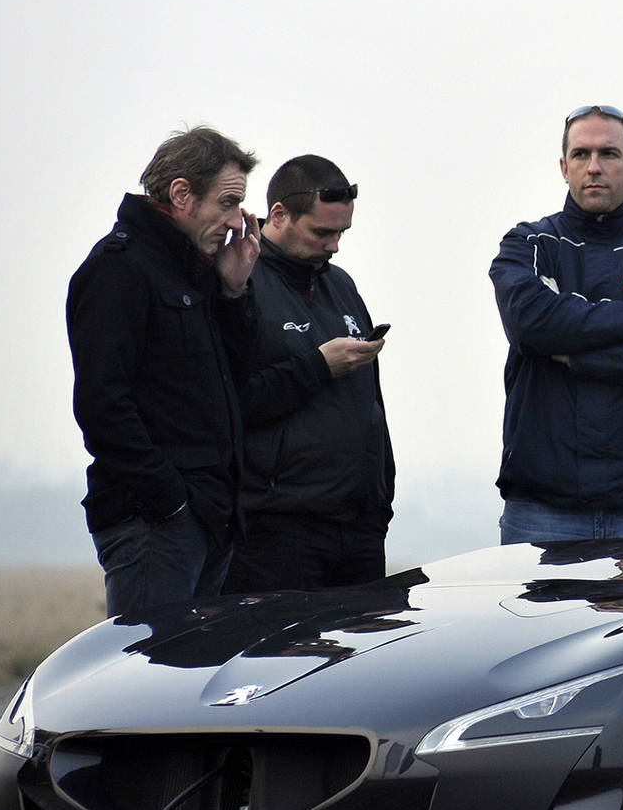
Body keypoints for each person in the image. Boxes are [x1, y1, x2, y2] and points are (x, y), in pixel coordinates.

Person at [490, 105, 623, 544]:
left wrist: (575, 355)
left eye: (608, 153)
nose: (594, 167)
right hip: (542, 508)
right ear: (564, 167)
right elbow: (531, 324)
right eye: (581, 154)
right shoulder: (528, 244)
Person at [67, 126, 262, 617]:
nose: (236, 221)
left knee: (194, 666)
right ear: (180, 194)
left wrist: (234, 291)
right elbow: (101, 405)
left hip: (208, 518)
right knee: (150, 663)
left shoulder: (196, 271)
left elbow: (233, 383)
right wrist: (171, 503)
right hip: (156, 525)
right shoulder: (119, 268)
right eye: (228, 203)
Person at [224, 155, 394, 591]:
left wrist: (381, 500)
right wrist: (319, 367)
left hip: (360, 528)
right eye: (322, 233)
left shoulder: (342, 285)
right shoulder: (238, 284)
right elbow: (229, 402)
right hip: (277, 531)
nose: (334, 246)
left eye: (342, 233)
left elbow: (370, 403)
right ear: (279, 214)